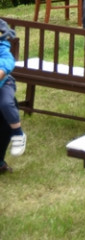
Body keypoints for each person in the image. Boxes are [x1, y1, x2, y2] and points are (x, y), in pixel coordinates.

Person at [1, 19, 26, 172]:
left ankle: (18, 133)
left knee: (5, 105)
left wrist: (2, 71)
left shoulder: (2, 47)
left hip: (4, 84)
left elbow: (8, 60)